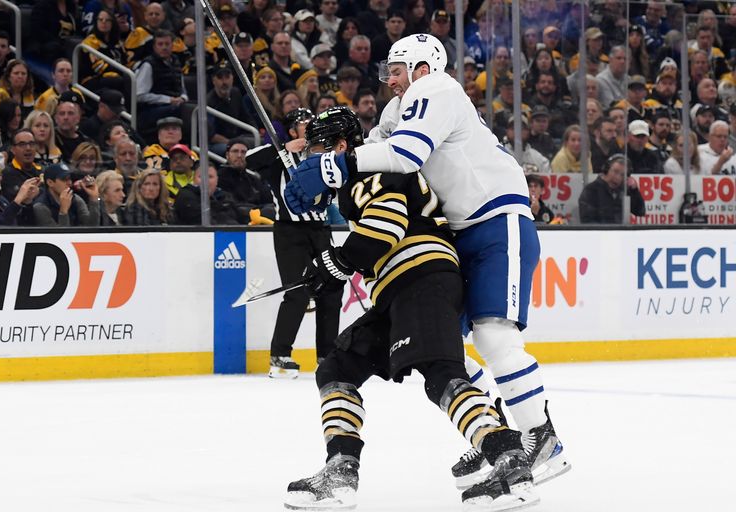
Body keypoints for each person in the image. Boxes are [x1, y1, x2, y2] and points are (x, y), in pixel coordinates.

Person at [283, 34, 569, 488]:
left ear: (422, 67)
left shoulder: (437, 88)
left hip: (495, 219)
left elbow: (400, 155)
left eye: (396, 70)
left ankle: (541, 437)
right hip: (456, 236)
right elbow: (369, 155)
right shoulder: (397, 111)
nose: (389, 80)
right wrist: (310, 164)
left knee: (494, 336)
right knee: (443, 351)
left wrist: (333, 169)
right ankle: (495, 434)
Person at [246, 108, 344, 378]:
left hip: (320, 229)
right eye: (306, 124)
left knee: (332, 289)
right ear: (292, 131)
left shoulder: (323, 153)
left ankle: (327, 356)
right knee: (297, 292)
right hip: (290, 231)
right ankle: (280, 356)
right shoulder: (279, 155)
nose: (312, 127)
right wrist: (283, 149)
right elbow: (247, 160)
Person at [217, 140, 274, 223]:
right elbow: (229, 205)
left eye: (243, 152)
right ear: (227, 155)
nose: (239, 155)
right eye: (235, 151)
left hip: (257, 215)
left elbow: (268, 198)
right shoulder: (219, 177)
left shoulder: (253, 179)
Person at [578, 155, 646, 224]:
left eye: (623, 175)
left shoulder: (624, 190)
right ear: (606, 169)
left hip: (621, 233)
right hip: (600, 233)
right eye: (615, 172)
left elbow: (640, 212)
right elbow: (587, 221)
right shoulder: (591, 190)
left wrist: (634, 190)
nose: (618, 177)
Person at [33, 162, 101, 227]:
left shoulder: (75, 199)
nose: (69, 183)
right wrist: (63, 212)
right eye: (64, 179)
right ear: (50, 182)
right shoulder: (40, 207)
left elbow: (91, 227)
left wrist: (94, 199)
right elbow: (58, 237)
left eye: (69, 179)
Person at [54, 92, 91, 161]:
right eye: (62, 114)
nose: (66, 117)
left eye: (70, 113)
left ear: (78, 118)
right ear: (56, 118)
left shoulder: (86, 143)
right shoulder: (50, 139)